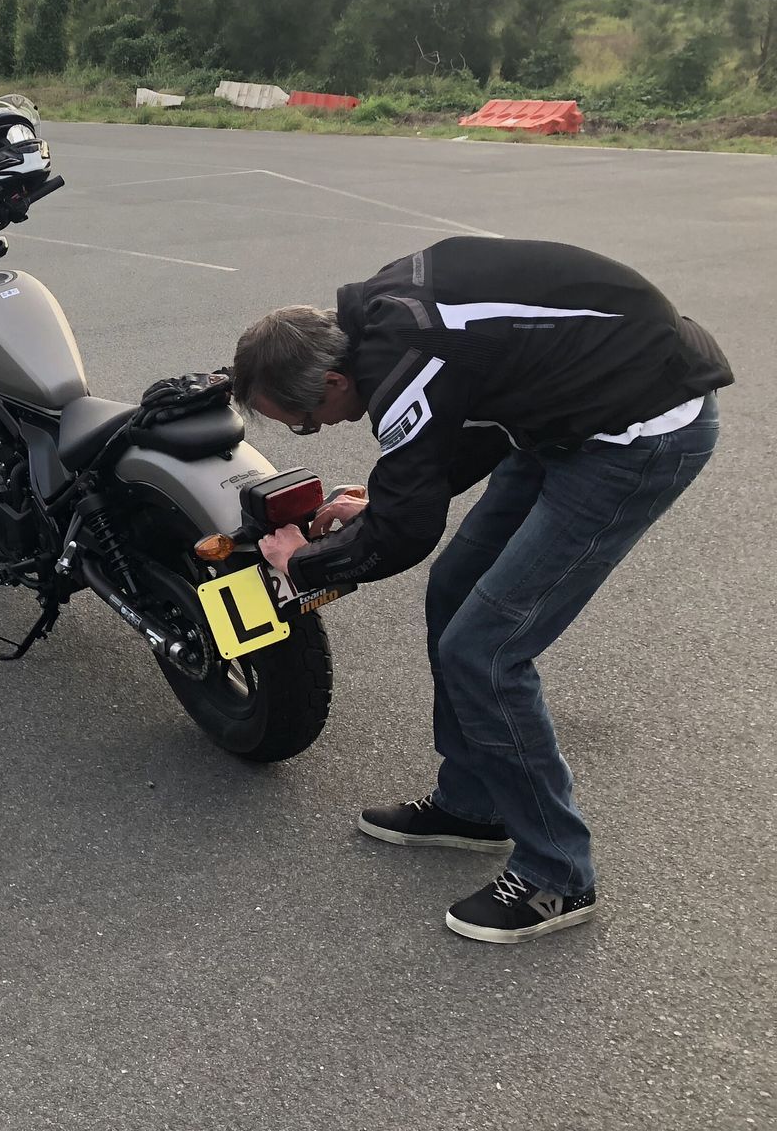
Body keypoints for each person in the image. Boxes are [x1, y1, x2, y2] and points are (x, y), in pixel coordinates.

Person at [231, 236, 730, 944]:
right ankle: (473, 805)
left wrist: (301, 564)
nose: (314, 429)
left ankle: (558, 874)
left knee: (485, 651)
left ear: (335, 381)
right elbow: (473, 420)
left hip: (637, 434)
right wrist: (384, 498)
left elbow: (405, 534)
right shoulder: (376, 319)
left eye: (305, 422)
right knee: (455, 590)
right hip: (564, 413)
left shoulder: (407, 358)